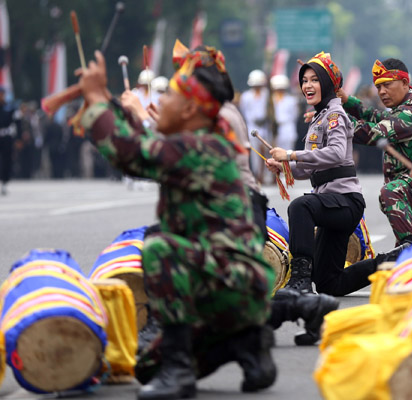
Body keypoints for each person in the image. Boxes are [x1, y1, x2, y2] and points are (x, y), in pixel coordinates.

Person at [79, 46, 276, 399]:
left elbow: (130, 153)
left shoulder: (198, 148)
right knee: (147, 367)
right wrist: (108, 103)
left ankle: (183, 370)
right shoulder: (199, 143)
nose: (160, 99)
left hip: (230, 285)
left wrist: (95, 99)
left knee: (159, 249)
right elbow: (143, 142)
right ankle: (246, 344)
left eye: (168, 93)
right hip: (233, 286)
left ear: (189, 109)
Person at [266, 52, 371, 297]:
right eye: (304, 81)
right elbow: (308, 168)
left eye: (314, 79)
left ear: (326, 83)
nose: (307, 86)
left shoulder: (335, 116)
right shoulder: (319, 118)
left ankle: (300, 280)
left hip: (345, 201)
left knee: (300, 207)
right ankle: (391, 261)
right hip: (331, 203)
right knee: (329, 283)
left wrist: (290, 155)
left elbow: (334, 154)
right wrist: (284, 168)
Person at [337, 58, 412, 260]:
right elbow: (373, 115)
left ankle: (409, 253)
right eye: (379, 87)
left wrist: (333, 119)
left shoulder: (409, 114)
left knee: (390, 192)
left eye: (387, 85)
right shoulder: (404, 108)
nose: (381, 92)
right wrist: (346, 101)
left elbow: (369, 133)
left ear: (405, 83)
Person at [239, 69, 270, 184]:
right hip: (252, 126)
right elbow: (244, 111)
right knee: (255, 154)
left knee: (267, 150)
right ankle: (257, 175)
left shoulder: (267, 94)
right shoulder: (246, 96)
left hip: (265, 127)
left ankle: (267, 174)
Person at [270, 74, 298, 151]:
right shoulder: (270, 100)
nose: (279, 91)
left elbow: (294, 115)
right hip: (274, 130)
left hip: (287, 128)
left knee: (288, 152)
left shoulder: (291, 100)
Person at [0, 87, 17, 194]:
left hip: (6, 136)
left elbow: (15, 123)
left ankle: (4, 183)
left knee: (6, 161)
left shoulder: (9, 108)